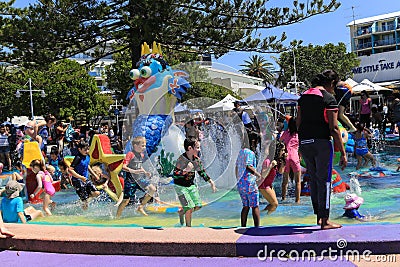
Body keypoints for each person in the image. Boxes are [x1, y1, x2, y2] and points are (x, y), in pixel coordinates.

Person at [297, 69, 347, 230]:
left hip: (305, 142)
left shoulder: (303, 97)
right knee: (324, 181)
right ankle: (325, 221)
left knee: (314, 179)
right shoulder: (329, 98)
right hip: (321, 143)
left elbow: (299, 123)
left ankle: (319, 216)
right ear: (331, 83)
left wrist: (300, 143)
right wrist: (343, 153)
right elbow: (334, 128)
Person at [173, 138, 217, 227]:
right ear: (190, 148)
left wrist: (211, 181)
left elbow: (202, 172)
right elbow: (175, 174)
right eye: (197, 147)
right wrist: (185, 170)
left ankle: (182, 212)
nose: (199, 150)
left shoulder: (196, 160)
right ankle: (188, 227)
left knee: (198, 205)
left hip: (190, 185)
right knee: (189, 207)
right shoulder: (181, 159)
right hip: (180, 186)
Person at [116, 136, 156, 218]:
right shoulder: (130, 154)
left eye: (144, 145)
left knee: (153, 189)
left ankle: (140, 207)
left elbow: (139, 166)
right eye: (142, 146)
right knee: (125, 201)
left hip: (139, 179)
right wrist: (134, 171)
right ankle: (117, 217)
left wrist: (145, 172)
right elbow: (123, 167)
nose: (144, 148)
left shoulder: (141, 155)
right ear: (135, 146)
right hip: (130, 181)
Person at [68, 140, 100, 209]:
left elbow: (87, 166)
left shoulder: (87, 156)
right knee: (85, 200)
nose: (87, 151)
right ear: (79, 149)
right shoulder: (78, 158)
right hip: (77, 181)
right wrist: (80, 177)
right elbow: (70, 170)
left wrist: (94, 174)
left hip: (85, 179)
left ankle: (83, 201)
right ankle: (84, 212)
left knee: (97, 193)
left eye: (88, 149)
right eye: (85, 150)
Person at [236, 142, 261, 227]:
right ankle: (257, 228)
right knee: (255, 206)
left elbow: (236, 168)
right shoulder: (250, 153)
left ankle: (243, 226)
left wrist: (238, 180)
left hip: (241, 184)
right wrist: (258, 175)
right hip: (250, 183)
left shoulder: (240, 152)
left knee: (245, 206)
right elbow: (248, 166)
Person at [258, 142, 285, 214]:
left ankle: (261, 214)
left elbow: (281, 172)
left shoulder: (277, 161)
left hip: (269, 185)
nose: (283, 152)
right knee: (275, 204)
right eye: (282, 150)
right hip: (263, 185)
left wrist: (283, 162)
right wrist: (270, 166)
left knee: (273, 204)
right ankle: (266, 216)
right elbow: (263, 175)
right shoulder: (268, 161)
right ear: (277, 150)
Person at [280, 116, 301, 203]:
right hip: (294, 156)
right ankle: (297, 200)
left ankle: (283, 198)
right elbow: (301, 147)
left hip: (286, 156)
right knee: (298, 181)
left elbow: (280, 140)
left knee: (285, 181)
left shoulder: (285, 133)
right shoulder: (298, 134)